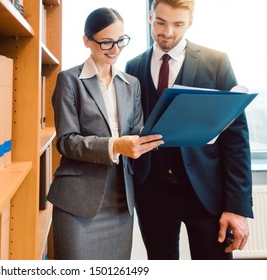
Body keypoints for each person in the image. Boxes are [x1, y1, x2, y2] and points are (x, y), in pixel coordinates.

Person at [125, 0, 253, 260]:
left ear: (190, 22)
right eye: (161, 22)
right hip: (152, 194)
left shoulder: (215, 62)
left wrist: (236, 207)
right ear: (150, 17)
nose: (168, 32)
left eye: (178, 24)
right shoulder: (133, 67)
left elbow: (236, 138)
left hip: (206, 194)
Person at [48, 7, 164, 260]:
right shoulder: (69, 80)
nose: (115, 49)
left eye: (121, 40)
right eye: (106, 42)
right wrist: (115, 145)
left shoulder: (131, 84)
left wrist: (147, 138)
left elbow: (135, 132)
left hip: (121, 198)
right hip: (78, 201)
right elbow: (67, 142)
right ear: (87, 41)